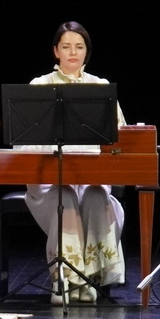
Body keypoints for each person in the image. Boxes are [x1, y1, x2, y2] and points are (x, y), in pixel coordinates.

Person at [23, 21, 126, 304]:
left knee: (95, 194)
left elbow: (119, 138)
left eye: (79, 47)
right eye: (66, 47)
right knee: (65, 194)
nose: (73, 52)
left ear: (86, 52)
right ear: (56, 51)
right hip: (49, 181)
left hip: (90, 176)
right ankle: (65, 278)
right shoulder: (39, 86)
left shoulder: (100, 87)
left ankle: (92, 277)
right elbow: (26, 143)